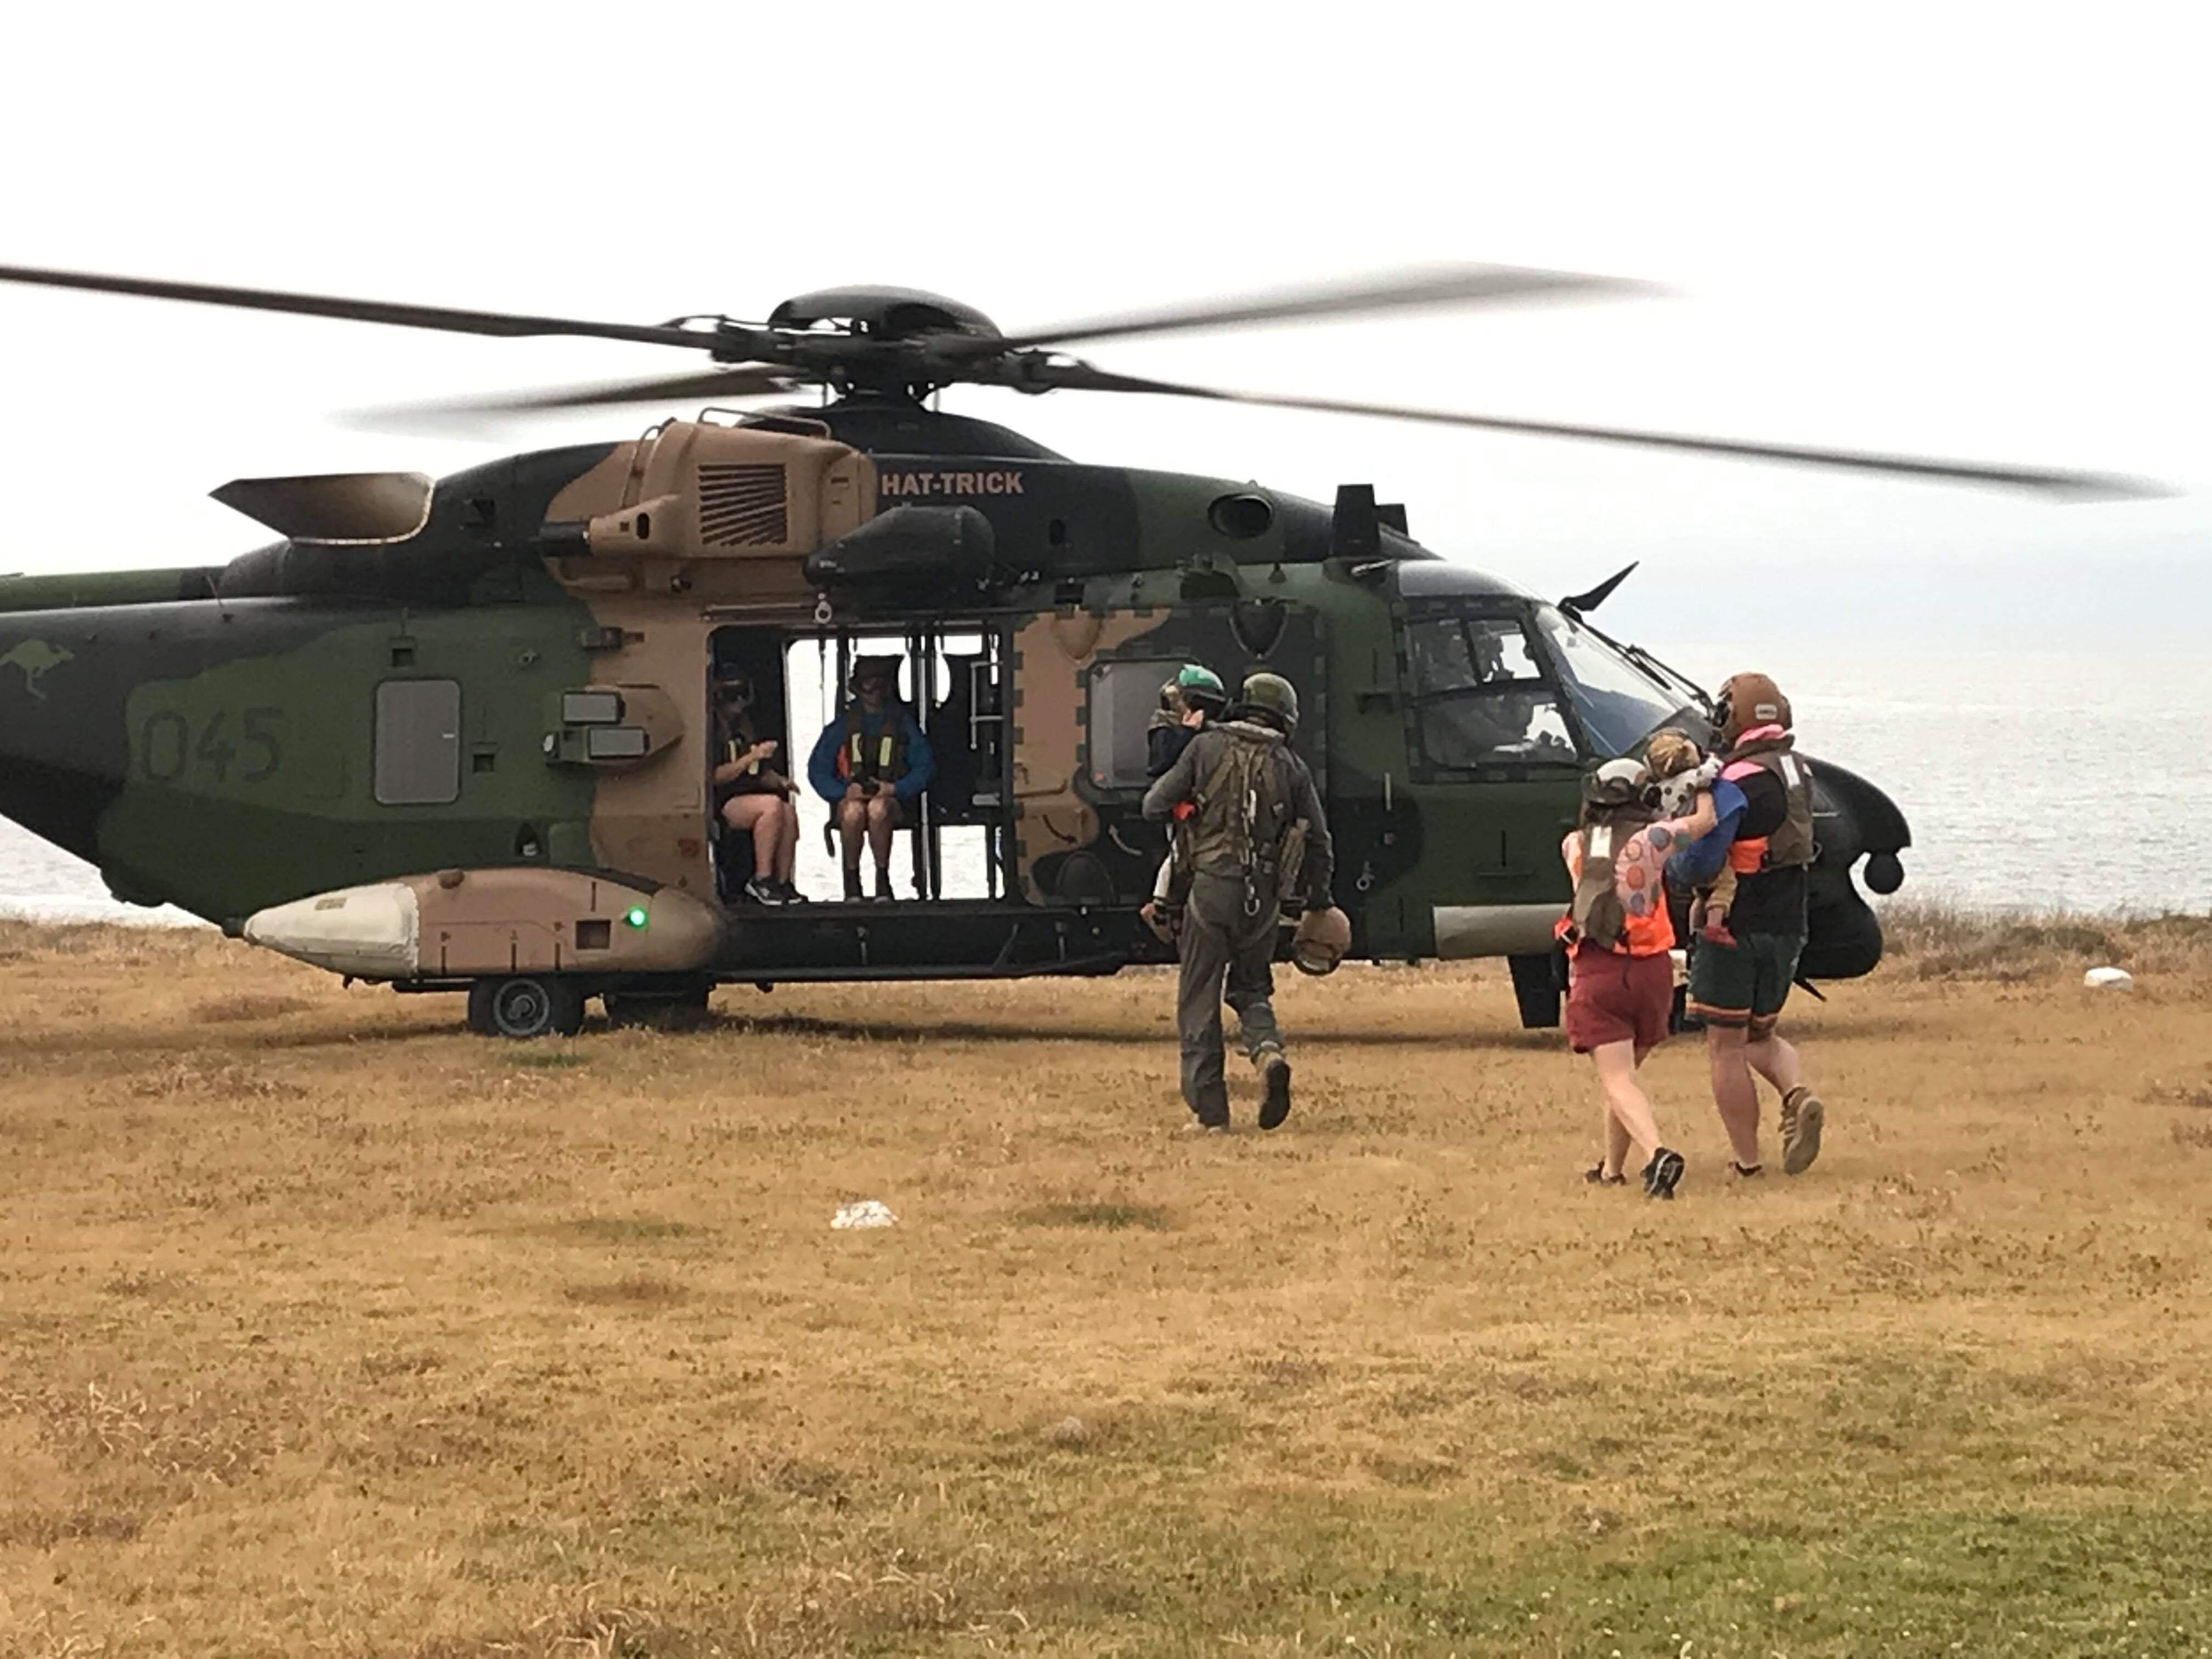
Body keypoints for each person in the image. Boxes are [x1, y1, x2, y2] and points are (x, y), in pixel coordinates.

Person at [1141, 672, 1333, 1133]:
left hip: (1210, 890)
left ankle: (1211, 1115)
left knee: (1199, 999)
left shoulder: (1204, 748)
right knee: (1250, 990)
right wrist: (1320, 902)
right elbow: (1320, 844)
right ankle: (1268, 1054)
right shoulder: (1292, 766)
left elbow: (1153, 805)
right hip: (1263, 899)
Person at [1669, 672, 1826, 1176]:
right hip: (1789, 922)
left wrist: (1671, 862)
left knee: (1726, 1046)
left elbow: (1700, 860)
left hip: (1733, 927)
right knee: (1761, 1035)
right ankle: (1796, 1094)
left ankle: (1748, 1163)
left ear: (1728, 717)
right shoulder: (1798, 770)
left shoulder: (1736, 782)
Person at [1558, 757, 1720, 1199]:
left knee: (1617, 1080)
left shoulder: (1573, 844)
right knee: (1624, 1079)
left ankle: (1656, 1155)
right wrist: (1701, 782)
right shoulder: (1653, 840)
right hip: (1652, 973)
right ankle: (1612, 1170)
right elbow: (1706, 822)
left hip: (1598, 971)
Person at [808, 655, 935, 902]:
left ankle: (882, 880)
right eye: (868, 684)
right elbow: (818, 771)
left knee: (878, 809)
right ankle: (852, 882)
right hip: (851, 797)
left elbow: (925, 767)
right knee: (852, 813)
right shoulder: (841, 727)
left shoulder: (903, 725)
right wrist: (843, 792)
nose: (874, 692)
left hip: (891, 800)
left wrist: (895, 789)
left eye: (880, 684)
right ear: (857, 687)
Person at [1140, 664, 1228, 940]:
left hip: (1211, 804)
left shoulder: (1216, 734)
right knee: (1178, 853)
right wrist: (1188, 732)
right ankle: (1161, 904)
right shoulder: (1165, 729)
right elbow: (1162, 763)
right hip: (1180, 801)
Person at [712, 671, 803, 905]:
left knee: (787, 811)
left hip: (749, 795)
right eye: (733, 695)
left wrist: (781, 782)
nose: (739, 701)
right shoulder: (711, 731)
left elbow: (760, 774)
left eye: (744, 694)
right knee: (771, 806)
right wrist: (753, 756)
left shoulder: (744, 729)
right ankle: (761, 879)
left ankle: (783, 882)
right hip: (722, 800)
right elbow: (716, 777)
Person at [1646, 728, 1736, 945]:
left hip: (1677, 845)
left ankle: (1694, 931)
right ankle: (1714, 924)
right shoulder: (1692, 780)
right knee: (1725, 882)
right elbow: (1713, 771)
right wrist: (1713, 758)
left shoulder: (1660, 790)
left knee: (1699, 892)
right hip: (1697, 838)